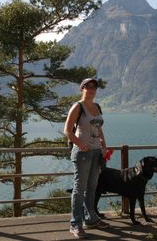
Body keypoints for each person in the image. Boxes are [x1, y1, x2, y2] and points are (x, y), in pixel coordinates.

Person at [64, 78, 109, 239]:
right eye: (88, 86)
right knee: (79, 189)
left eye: (94, 87)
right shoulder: (78, 106)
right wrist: (80, 144)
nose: (91, 89)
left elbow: (99, 128)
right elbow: (67, 130)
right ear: (82, 88)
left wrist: (104, 145)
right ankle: (75, 224)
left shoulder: (96, 107)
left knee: (92, 187)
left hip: (96, 153)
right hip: (82, 154)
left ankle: (90, 219)